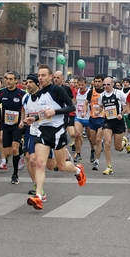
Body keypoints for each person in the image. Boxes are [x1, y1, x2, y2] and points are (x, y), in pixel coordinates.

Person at [26, 64, 86, 210]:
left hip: (58, 132)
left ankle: (78, 170)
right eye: (39, 75)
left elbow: (71, 107)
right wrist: (33, 119)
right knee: (41, 164)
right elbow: (43, 114)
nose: (40, 78)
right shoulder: (39, 94)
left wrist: (55, 111)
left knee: (60, 167)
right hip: (43, 131)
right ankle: (38, 196)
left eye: (43, 75)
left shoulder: (57, 90)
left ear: (51, 77)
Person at [0, 71, 26, 184]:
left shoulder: (22, 94)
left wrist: (22, 121)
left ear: (16, 81)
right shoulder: (1, 93)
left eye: (11, 79)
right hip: (5, 124)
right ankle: (21, 151)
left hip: (17, 125)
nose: (8, 81)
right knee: (7, 152)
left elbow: (25, 109)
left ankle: (15, 175)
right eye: (6, 78)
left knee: (14, 148)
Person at [96, 76, 130, 175]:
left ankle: (125, 142)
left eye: (108, 84)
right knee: (107, 143)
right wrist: (97, 112)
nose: (106, 86)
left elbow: (127, 104)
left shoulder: (118, 93)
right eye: (104, 85)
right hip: (108, 121)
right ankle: (109, 166)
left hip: (118, 121)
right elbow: (101, 106)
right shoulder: (102, 95)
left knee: (118, 148)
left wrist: (122, 113)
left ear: (112, 84)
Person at [21, 74, 41, 195]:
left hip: (44, 130)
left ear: (36, 84)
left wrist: (37, 118)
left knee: (50, 164)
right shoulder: (25, 97)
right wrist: (22, 121)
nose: (28, 85)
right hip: (31, 130)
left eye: (30, 82)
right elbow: (23, 109)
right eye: (27, 82)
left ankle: (63, 153)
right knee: (29, 158)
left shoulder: (43, 97)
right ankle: (36, 184)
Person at [82, 74, 105, 171]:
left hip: (102, 119)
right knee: (93, 140)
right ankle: (97, 147)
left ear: (103, 82)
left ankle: (97, 161)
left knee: (98, 140)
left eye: (99, 81)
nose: (97, 83)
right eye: (96, 81)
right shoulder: (91, 92)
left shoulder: (105, 92)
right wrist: (84, 111)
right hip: (92, 118)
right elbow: (86, 103)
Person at [74, 76, 95, 163]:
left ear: (86, 84)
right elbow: (74, 101)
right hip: (78, 117)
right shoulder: (77, 92)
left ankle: (93, 150)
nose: (81, 87)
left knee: (90, 138)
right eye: (79, 85)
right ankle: (78, 153)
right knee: (77, 134)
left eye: (82, 85)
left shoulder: (90, 92)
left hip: (88, 117)